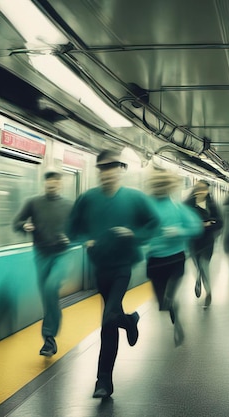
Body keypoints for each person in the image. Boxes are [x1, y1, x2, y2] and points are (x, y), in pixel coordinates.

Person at [67, 150, 160, 399]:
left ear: (121, 170)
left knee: (108, 319)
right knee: (111, 318)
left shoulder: (135, 198)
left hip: (122, 266)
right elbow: (72, 228)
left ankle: (103, 381)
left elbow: (154, 223)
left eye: (113, 168)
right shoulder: (87, 199)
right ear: (99, 172)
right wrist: (85, 239)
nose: (108, 173)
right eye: (103, 169)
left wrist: (134, 234)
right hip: (100, 267)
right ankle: (129, 321)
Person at [13, 171, 74, 357]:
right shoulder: (33, 203)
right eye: (49, 183)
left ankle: (48, 336)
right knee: (48, 296)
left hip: (62, 254)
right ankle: (50, 339)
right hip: (41, 254)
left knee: (50, 288)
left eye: (55, 183)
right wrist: (24, 226)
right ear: (45, 184)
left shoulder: (69, 205)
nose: (52, 186)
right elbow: (17, 222)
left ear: (60, 185)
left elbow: (79, 229)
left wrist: (70, 237)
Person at [145, 170, 203, 346]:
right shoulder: (145, 207)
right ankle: (172, 309)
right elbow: (137, 227)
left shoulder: (178, 208)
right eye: (158, 184)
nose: (161, 187)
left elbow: (197, 227)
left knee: (169, 294)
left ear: (169, 187)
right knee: (162, 304)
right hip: (154, 259)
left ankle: (174, 309)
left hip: (175, 258)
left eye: (164, 184)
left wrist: (179, 232)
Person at [184, 180, 223, 307]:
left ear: (207, 191)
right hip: (193, 241)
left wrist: (208, 226)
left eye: (203, 189)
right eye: (198, 188)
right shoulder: (186, 205)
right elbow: (182, 222)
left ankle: (208, 292)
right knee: (196, 265)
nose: (201, 191)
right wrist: (199, 225)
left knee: (204, 265)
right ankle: (198, 278)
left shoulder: (212, 205)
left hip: (207, 242)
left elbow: (220, 223)